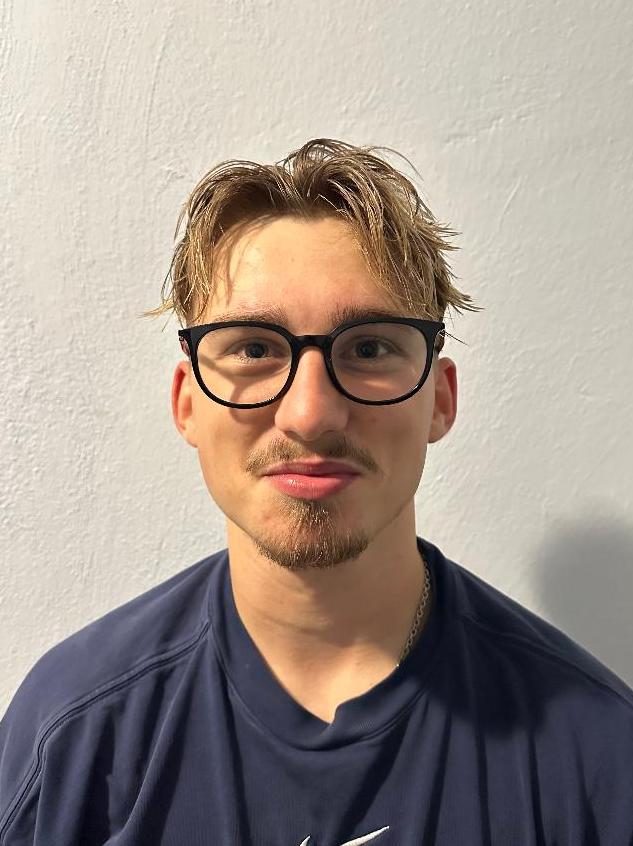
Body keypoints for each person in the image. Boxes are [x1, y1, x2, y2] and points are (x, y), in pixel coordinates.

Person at [1, 139, 632, 846]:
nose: (310, 414)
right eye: (253, 348)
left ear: (440, 399)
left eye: (368, 349)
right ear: (186, 403)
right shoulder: (73, 735)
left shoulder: (598, 757)